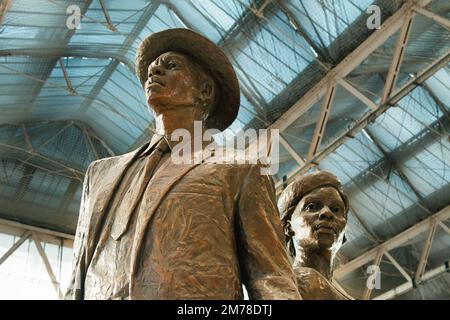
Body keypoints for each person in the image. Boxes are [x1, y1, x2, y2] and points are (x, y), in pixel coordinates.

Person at [65, 28, 300, 300]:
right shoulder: (100, 175)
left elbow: (271, 278)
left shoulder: (240, 170)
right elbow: (76, 278)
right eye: (152, 69)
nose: (154, 73)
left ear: (205, 90)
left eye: (171, 66)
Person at [278, 171, 353, 299]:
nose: (327, 213)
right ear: (288, 227)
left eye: (336, 209)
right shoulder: (281, 284)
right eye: (311, 207)